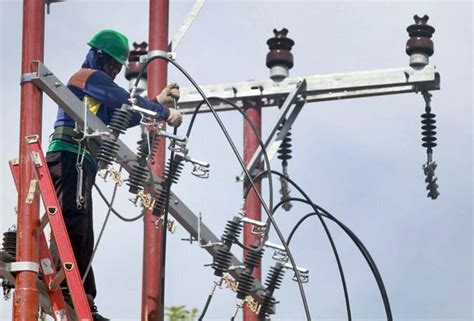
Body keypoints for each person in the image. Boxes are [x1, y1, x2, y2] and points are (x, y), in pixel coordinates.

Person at [46, 29, 182, 320]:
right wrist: (162, 111)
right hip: (71, 156)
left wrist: (157, 101)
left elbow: (121, 115)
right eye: (112, 66)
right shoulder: (87, 77)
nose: (114, 72)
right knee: (72, 222)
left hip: (82, 162)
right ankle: (65, 286)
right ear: (98, 56)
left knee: (84, 235)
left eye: (117, 69)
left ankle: (83, 296)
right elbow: (123, 100)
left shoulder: (97, 88)